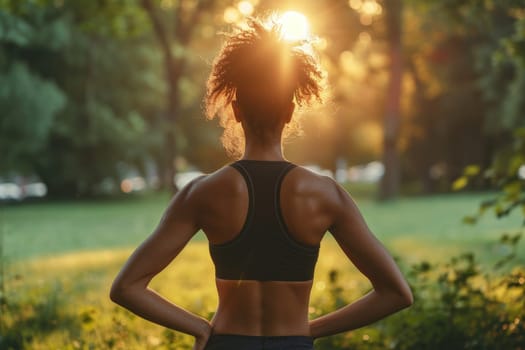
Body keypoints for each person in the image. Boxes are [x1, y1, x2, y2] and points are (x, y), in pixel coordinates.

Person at [110, 17, 413, 350]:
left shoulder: (203, 193)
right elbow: (396, 293)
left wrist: (199, 328)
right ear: (289, 110)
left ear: (237, 110)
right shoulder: (325, 195)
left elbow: (127, 287)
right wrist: (308, 332)